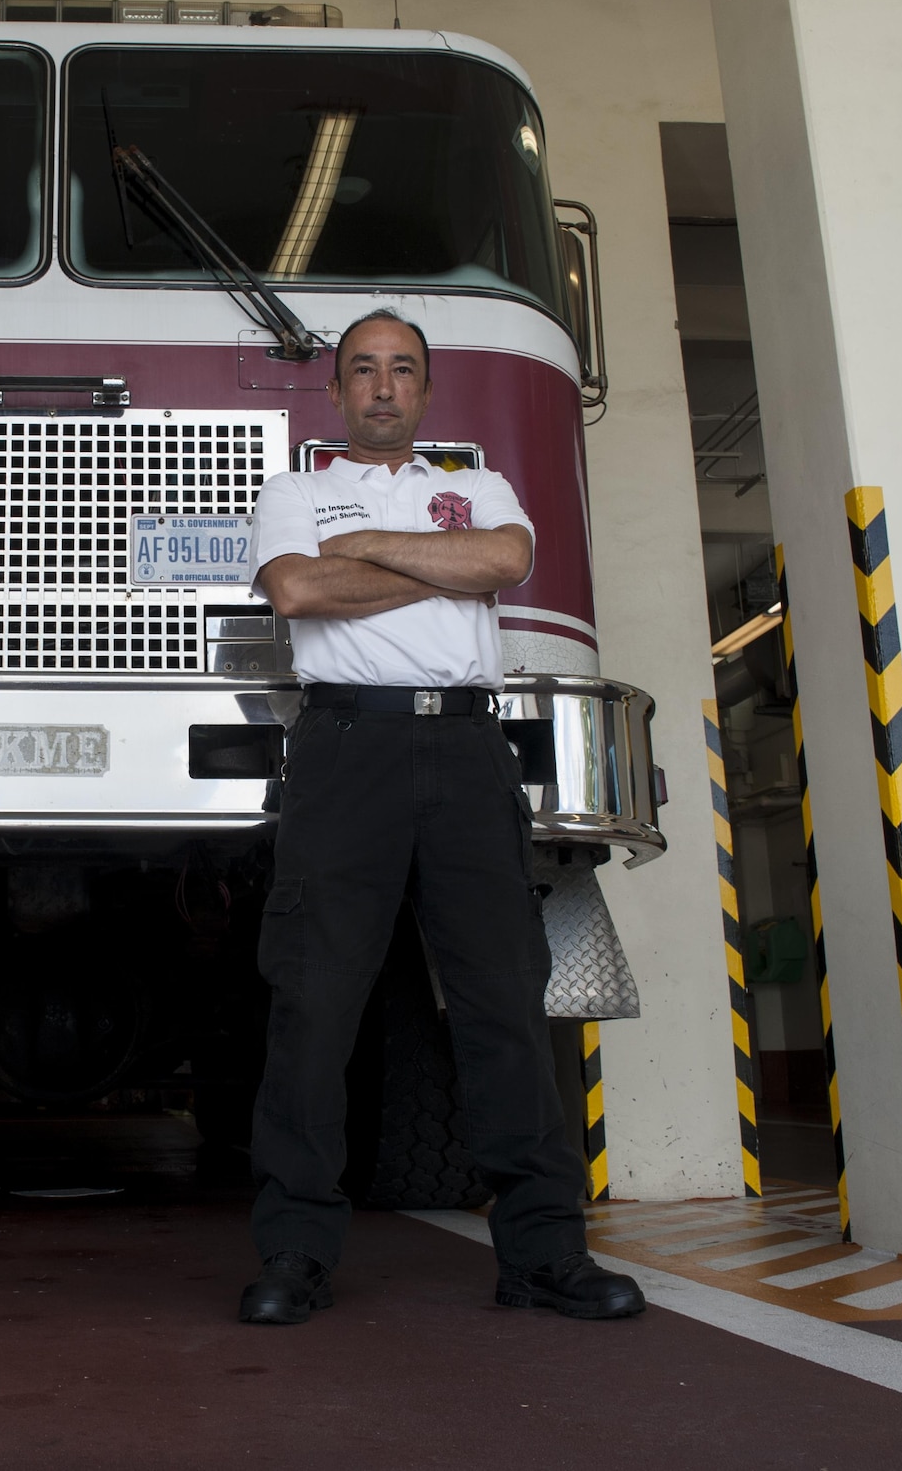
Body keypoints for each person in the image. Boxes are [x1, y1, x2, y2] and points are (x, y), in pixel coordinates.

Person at [237, 309, 644, 1325]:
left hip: (467, 753)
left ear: (424, 391)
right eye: (362, 371)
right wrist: (426, 557)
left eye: (401, 371)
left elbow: (502, 563)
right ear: (335, 391)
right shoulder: (295, 492)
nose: (381, 388)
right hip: (342, 753)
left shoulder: (480, 489)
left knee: (504, 1007)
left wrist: (365, 555)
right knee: (313, 1008)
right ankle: (292, 1252)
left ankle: (542, 1257)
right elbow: (294, 588)